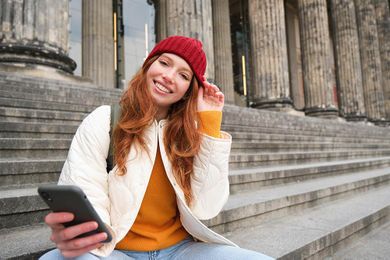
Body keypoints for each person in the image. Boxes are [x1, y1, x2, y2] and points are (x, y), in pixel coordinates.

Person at [40, 35, 274, 260]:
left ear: (188, 90)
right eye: (164, 63)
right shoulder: (103, 120)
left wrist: (210, 124)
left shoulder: (190, 133)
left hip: (181, 251)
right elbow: (86, 193)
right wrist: (88, 240)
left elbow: (206, 207)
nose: (169, 76)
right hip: (115, 251)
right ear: (148, 64)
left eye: (183, 75)